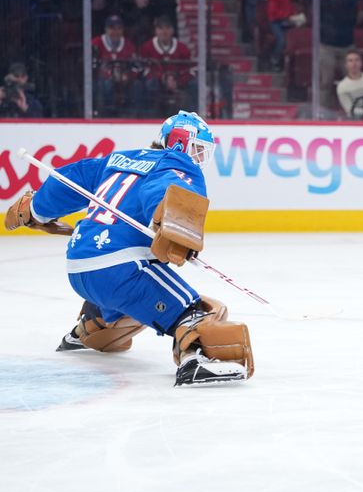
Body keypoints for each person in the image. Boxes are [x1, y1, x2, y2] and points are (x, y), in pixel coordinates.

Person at [3, 111, 254, 386]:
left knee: (132, 311)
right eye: (197, 148)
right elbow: (165, 188)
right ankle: (195, 360)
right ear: (180, 143)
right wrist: (174, 224)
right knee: (200, 311)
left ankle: (90, 330)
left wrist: (36, 210)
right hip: (121, 268)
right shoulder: (177, 162)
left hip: (78, 269)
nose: (198, 157)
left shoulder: (117, 159)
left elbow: (70, 180)